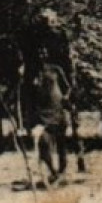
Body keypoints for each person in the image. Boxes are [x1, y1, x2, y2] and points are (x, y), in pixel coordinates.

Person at [26, 53, 73, 184]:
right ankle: (52, 171)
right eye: (38, 54)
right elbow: (28, 96)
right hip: (41, 114)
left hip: (58, 112)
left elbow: (67, 87)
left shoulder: (55, 69)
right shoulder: (30, 72)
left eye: (44, 53)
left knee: (61, 144)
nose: (41, 56)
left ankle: (61, 172)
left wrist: (66, 98)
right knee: (43, 142)